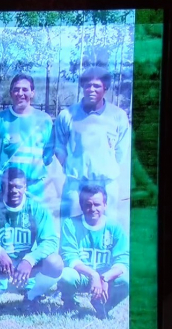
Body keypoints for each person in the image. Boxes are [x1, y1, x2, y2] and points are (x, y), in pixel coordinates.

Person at [0, 166, 63, 317]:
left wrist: (30, 260)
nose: (14, 190)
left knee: (55, 262)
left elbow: (50, 241)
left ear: (25, 187)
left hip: (25, 266)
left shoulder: (35, 207)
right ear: (3, 186)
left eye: (18, 186)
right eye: (10, 186)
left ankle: (31, 297)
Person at [54, 66, 131, 227]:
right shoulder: (67, 115)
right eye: (87, 85)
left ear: (105, 88)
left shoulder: (118, 116)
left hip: (106, 184)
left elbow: (120, 151)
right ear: (82, 87)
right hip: (76, 184)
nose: (91, 89)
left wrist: (104, 166)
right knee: (70, 228)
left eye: (96, 86)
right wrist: (71, 166)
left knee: (106, 229)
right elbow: (59, 147)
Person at [58, 184, 129, 319]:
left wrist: (105, 278)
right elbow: (69, 257)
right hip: (82, 276)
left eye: (97, 204)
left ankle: (103, 305)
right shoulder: (70, 224)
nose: (93, 209)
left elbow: (123, 260)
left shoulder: (114, 227)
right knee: (66, 276)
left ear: (105, 205)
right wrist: (93, 275)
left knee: (126, 280)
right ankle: (69, 302)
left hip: (105, 278)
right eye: (88, 204)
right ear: (81, 205)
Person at [0, 73, 55, 204]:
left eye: (25, 89)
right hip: (5, 185)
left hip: (34, 186)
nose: (20, 93)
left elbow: (47, 154)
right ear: (11, 93)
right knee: (0, 222)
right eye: (16, 89)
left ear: (32, 93)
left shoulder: (44, 120)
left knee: (33, 222)